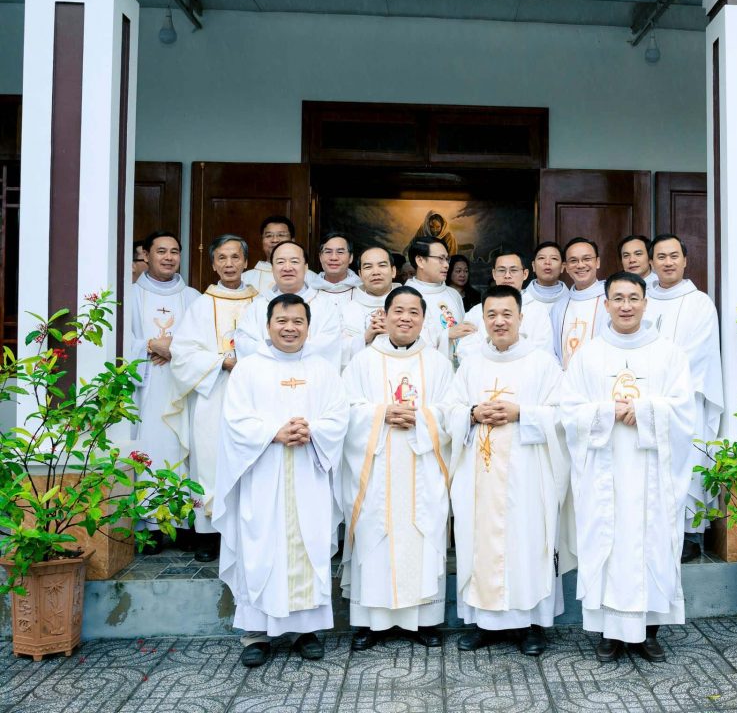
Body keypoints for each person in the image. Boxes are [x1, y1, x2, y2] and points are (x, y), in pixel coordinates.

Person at [561, 272, 693, 663]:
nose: (626, 306)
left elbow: (684, 412)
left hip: (652, 472)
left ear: (645, 303)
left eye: (633, 298)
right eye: (617, 298)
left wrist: (646, 411)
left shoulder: (669, 354)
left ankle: (648, 632)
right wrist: (607, 411)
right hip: (604, 472)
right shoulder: (588, 356)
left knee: (652, 545)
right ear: (605, 304)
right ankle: (609, 632)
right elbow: (569, 411)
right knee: (608, 544)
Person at [213, 293, 349, 668]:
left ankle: (307, 631)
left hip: (309, 473)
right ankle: (256, 634)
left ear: (308, 327)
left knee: (309, 545)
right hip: (262, 475)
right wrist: (274, 432)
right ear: (268, 325)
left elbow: (339, 416)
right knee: (260, 548)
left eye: (298, 321)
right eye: (282, 321)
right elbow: (235, 420)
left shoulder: (323, 369)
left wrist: (312, 429)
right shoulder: (248, 369)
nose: (290, 328)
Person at [449, 285, 573, 657]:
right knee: (479, 542)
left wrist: (523, 413)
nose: (499, 321)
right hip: (480, 475)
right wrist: (472, 413)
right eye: (492, 315)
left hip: (528, 472)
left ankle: (532, 625)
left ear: (520, 317)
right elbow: (449, 412)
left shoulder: (542, 364)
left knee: (528, 542)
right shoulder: (471, 365)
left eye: (507, 314)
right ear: (483, 319)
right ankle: (483, 623)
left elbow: (563, 414)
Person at [340, 286, 456, 651]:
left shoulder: (437, 363)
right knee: (375, 536)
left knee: (421, 536)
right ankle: (370, 622)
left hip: (423, 465)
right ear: (385, 315)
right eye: (398, 311)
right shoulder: (363, 361)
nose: (405, 318)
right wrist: (381, 414)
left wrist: (422, 418)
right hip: (375, 468)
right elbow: (345, 409)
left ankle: (424, 620)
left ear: (423, 320)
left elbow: (452, 411)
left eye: (413, 312)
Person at [164, 235, 258, 562]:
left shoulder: (262, 303)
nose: (229, 264)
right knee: (209, 462)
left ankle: (247, 535)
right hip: (212, 393)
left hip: (253, 395)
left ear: (246, 262)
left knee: (250, 461)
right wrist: (222, 361)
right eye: (222, 258)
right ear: (213, 264)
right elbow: (182, 353)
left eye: (235, 257)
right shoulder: (201, 305)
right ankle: (208, 534)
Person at [645, 234, 723, 562]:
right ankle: (651, 533)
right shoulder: (640, 298)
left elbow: (697, 354)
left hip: (684, 400)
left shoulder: (699, 303)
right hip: (645, 400)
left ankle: (690, 534)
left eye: (674, 256)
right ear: (651, 263)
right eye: (661, 257)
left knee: (687, 463)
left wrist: (658, 380)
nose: (668, 262)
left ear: (685, 260)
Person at [129, 231, 201, 546]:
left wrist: (175, 349)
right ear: (146, 255)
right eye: (161, 251)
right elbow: (118, 342)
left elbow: (205, 343)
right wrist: (149, 345)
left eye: (174, 251)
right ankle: (152, 526)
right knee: (151, 449)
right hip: (146, 387)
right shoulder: (131, 295)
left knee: (183, 449)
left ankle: (184, 522)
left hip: (183, 387)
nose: (169, 257)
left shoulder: (194, 298)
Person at [234, 242, 342, 366]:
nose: (287, 268)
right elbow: (245, 342)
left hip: (311, 375)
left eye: (294, 261)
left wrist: (287, 355)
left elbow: (329, 345)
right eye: (280, 262)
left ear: (306, 267)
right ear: (272, 268)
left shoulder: (325, 306)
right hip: (267, 375)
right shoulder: (257, 306)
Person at [458, 252, 553, 363]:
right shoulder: (476, 312)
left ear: (525, 274)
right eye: (502, 270)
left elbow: (543, 350)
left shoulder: (538, 310)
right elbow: (464, 351)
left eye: (513, 270)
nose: (507, 275)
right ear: (494, 274)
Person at [405, 236, 473, 364]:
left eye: (447, 259)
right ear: (420, 261)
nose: (446, 265)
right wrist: (447, 335)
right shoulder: (405, 297)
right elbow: (407, 342)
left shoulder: (453, 294)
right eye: (440, 259)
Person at [551, 238, 610, 368]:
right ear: (566, 267)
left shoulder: (611, 300)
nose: (580, 265)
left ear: (597, 262)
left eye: (586, 259)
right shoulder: (559, 307)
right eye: (573, 261)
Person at [338, 246, 398, 367]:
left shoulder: (411, 305)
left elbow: (427, 345)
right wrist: (365, 338)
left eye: (382, 265)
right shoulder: (346, 309)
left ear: (393, 271)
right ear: (360, 274)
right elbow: (334, 352)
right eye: (368, 267)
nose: (376, 272)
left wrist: (395, 336)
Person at [242, 215, 316, 292]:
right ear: (262, 241)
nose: (275, 240)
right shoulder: (245, 279)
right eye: (269, 235)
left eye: (281, 235)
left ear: (292, 240)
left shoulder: (312, 278)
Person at [311, 232, 362, 316]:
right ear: (320, 257)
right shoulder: (309, 294)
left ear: (351, 257)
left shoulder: (363, 291)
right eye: (328, 252)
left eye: (340, 252)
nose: (334, 257)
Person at [523, 241, 568, 312]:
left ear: (562, 267)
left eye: (554, 258)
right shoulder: (520, 300)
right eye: (541, 258)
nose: (547, 262)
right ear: (533, 266)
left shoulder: (572, 300)